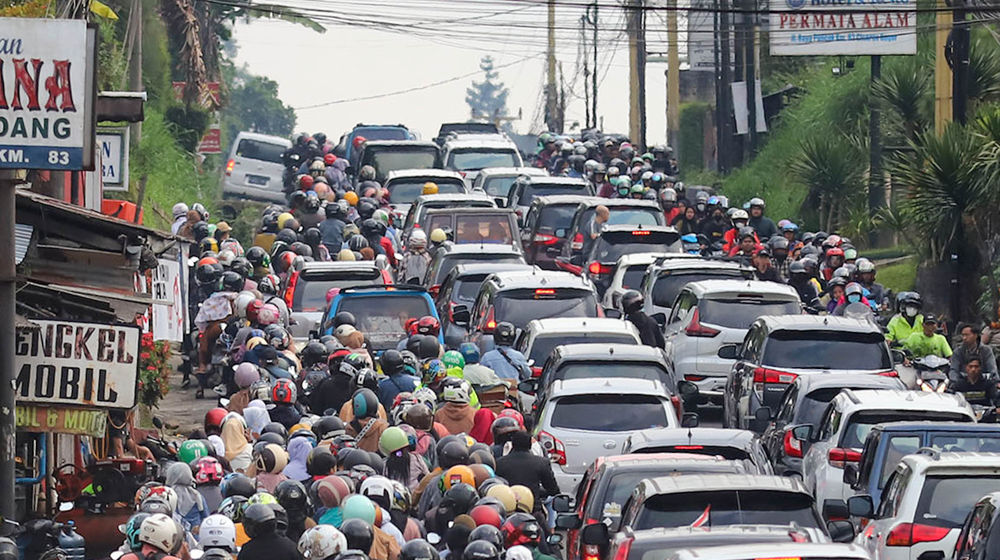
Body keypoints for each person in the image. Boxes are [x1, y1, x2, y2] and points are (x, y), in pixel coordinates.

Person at [495, 431, 559, 506]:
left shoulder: (499, 463)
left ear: (512, 444)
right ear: (530, 445)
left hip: (506, 505)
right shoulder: (541, 463)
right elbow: (552, 489)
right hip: (533, 508)